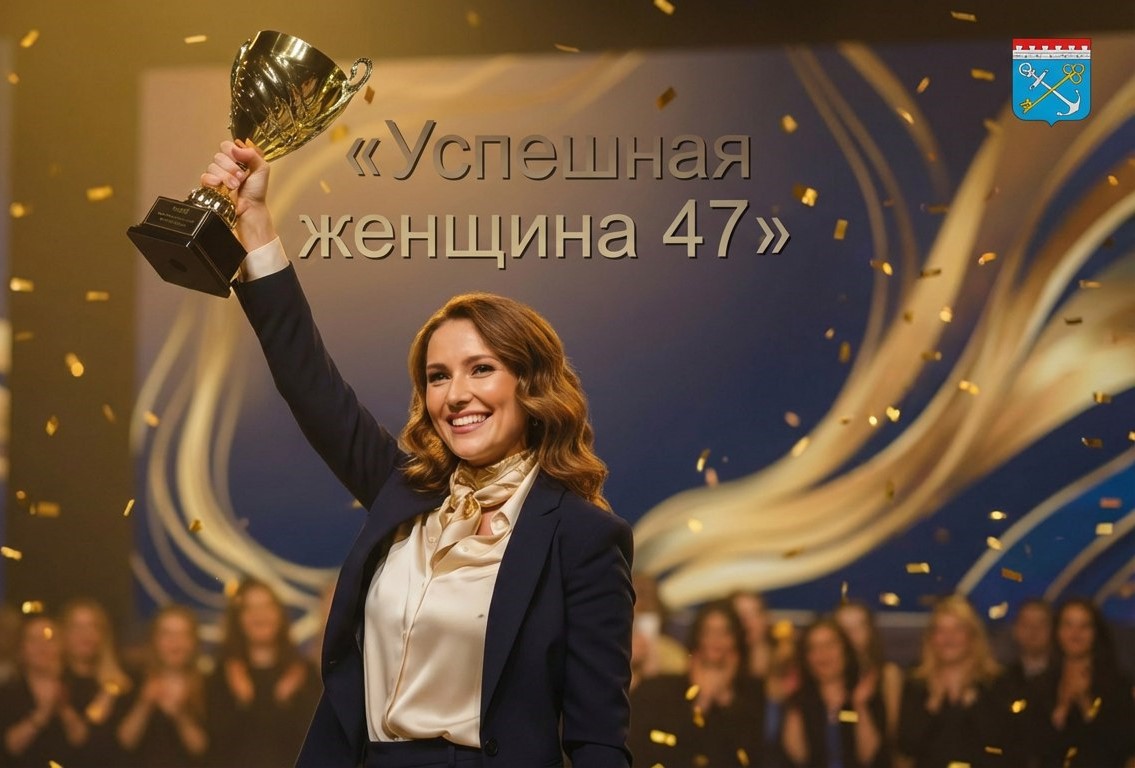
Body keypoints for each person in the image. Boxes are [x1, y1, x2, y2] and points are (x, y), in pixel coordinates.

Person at [202, 139, 635, 768]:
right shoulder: (404, 489)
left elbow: (598, 740)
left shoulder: (583, 537)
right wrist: (255, 221)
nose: (455, 396)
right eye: (437, 377)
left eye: (480, 369)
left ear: (530, 383)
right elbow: (307, 379)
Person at [629, 600, 765, 768]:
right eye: (708, 631)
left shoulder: (752, 693)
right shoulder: (659, 690)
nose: (716, 640)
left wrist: (725, 698)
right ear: (697, 637)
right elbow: (662, 750)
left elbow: (750, 755)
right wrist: (702, 699)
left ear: (736, 639)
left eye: (724, 632)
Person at [206, 578, 320, 768]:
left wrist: (286, 699)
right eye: (250, 608)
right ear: (238, 619)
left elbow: (316, 745)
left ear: (280, 615)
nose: (260, 614)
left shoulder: (304, 674)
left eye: (267, 606)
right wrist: (242, 701)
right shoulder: (221, 676)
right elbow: (214, 748)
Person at [896, 595, 1019, 768]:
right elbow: (906, 747)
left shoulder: (997, 683)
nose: (949, 638)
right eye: (941, 631)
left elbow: (1006, 743)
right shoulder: (916, 684)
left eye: (957, 630)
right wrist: (932, 706)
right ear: (931, 638)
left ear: (972, 637)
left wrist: (974, 705)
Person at [1027, 598, 1134, 768]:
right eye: (1068, 625)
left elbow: (1122, 744)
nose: (1075, 634)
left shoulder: (1118, 684)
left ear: (1096, 633)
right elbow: (1032, 743)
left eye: (1084, 626)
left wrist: (1086, 703)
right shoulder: (1040, 684)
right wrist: (1061, 708)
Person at [780, 618, 887, 768]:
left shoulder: (866, 694)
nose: (823, 654)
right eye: (814, 648)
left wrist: (859, 705)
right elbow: (797, 756)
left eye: (829, 645)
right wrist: (794, 704)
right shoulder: (801, 702)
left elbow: (869, 756)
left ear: (845, 649)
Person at [117, 605, 209, 767]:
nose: (175, 642)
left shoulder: (208, 685)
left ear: (193, 642)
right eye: (167, 634)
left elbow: (203, 749)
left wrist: (180, 715)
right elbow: (124, 743)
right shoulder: (132, 681)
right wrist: (145, 704)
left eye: (183, 634)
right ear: (154, 640)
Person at [0, 614, 89, 767]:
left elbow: (84, 741)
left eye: (49, 638)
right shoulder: (8, 692)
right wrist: (43, 712)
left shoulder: (77, 685)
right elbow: (11, 747)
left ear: (61, 645)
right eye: (33, 640)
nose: (41, 646)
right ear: (21, 648)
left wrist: (63, 707)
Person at [59, 598, 133, 767]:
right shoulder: (55, 683)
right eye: (77, 627)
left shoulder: (123, 683)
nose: (85, 634)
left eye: (93, 626)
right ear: (64, 633)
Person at [834, 599, 904, 741]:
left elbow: (893, 731)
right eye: (844, 629)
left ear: (870, 631)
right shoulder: (827, 676)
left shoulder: (887, 674)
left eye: (859, 627)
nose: (851, 635)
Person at [1003, 598, 1052, 695]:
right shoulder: (1001, 677)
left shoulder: (1063, 676)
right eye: (1026, 624)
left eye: (1040, 625)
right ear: (1015, 630)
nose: (1033, 631)